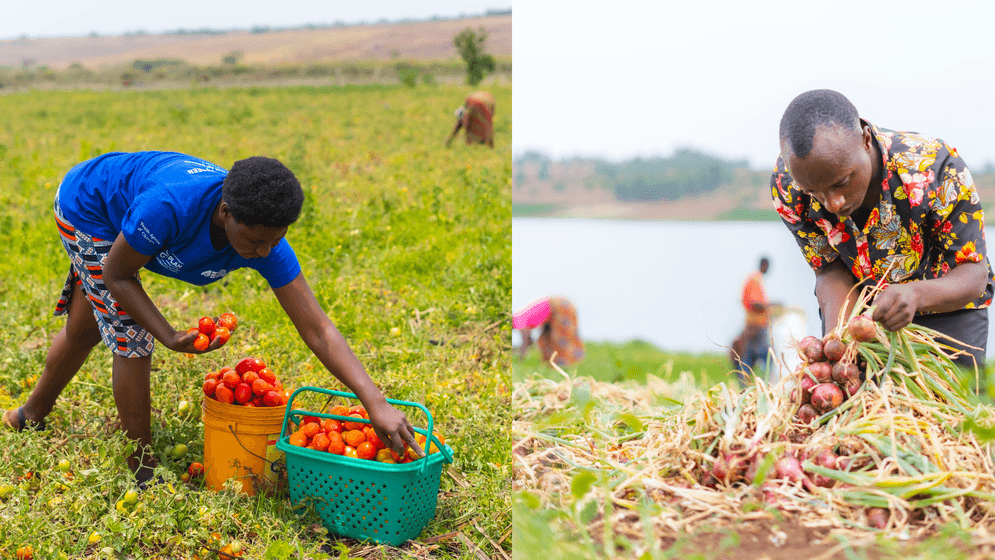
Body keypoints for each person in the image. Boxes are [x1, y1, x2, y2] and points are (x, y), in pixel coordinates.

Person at [1, 152, 423, 487]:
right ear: (225, 213)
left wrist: (376, 402)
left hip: (128, 216)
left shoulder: (266, 238)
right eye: (256, 240)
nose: (264, 251)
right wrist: (165, 333)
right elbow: (116, 273)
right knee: (132, 335)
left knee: (87, 325)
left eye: (276, 240)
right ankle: (141, 468)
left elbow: (318, 328)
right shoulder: (168, 208)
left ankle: (30, 415)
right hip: (89, 208)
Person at [771, 89, 995, 368]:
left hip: (947, 309)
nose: (832, 203)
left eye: (841, 182)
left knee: (949, 406)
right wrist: (838, 339)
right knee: (856, 407)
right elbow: (829, 269)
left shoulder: (933, 168)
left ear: (866, 140)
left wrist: (915, 294)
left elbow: (974, 274)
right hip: (864, 316)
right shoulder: (789, 187)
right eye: (815, 192)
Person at [732, 257, 775, 383]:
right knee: (765, 356)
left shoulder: (755, 279)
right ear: (764, 265)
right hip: (756, 326)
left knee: (750, 356)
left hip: (755, 326)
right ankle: (759, 383)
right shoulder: (755, 280)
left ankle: (748, 383)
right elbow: (755, 303)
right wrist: (769, 307)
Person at [513, 296, 585, 367]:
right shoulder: (518, 317)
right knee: (545, 341)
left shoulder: (517, 322)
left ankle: (568, 365)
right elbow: (528, 340)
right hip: (556, 308)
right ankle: (556, 366)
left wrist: (521, 358)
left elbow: (526, 341)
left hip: (560, 307)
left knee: (562, 339)